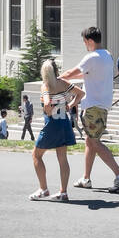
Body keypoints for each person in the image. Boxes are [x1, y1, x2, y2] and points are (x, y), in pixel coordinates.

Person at [59, 26, 119, 193]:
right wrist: (66, 77)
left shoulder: (91, 57)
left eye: (85, 41)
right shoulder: (106, 55)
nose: (84, 44)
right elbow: (84, 74)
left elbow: (72, 72)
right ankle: (86, 178)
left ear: (90, 41)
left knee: (94, 142)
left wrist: (56, 78)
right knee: (89, 142)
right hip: (101, 106)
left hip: (92, 106)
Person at [30, 59, 84, 202]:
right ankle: (63, 192)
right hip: (64, 123)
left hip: (52, 124)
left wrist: (49, 111)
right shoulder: (63, 83)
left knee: (36, 155)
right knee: (62, 158)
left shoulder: (46, 85)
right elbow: (81, 93)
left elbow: (47, 103)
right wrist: (70, 105)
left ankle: (43, 189)